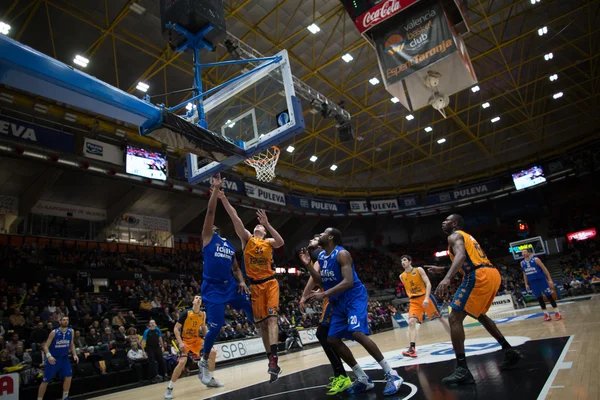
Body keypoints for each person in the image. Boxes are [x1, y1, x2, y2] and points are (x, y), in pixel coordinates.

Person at [300, 228, 404, 396]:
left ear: (331, 237)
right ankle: (362, 378)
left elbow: (348, 282)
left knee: (356, 333)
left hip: (353, 296)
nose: (321, 235)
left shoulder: (342, 254)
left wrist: (324, 294)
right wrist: (308, 266)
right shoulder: (321, 256)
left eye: (324, 233)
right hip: (338, 300)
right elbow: (321, 281)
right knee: (332, 339)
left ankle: (391, 374)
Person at [435, 214, 523, 385]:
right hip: (492, 273)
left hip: (478, 275)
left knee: (454, 318)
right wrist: (444, 268)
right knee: (480, 314)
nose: (443, 223)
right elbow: (468, 258)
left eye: (446, 220)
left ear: (454, 223)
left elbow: (460, 256)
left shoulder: (454, 236)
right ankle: (508, 350)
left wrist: (447, 278)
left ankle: (462, 370)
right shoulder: (467, 236)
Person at [218, 186, 285, 382]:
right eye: (258, 226)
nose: (258, 227)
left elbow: (281, 242)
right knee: (262, 326)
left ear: (264, 231)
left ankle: (274, 358)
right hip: (255, 286)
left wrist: (268, 223)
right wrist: (224, 199)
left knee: (272, 320)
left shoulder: (269, 242)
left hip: (270, 283)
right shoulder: (247, 239)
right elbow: (235, 218)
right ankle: (270, 361)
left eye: (261, 228)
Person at [196, 175, 254, 385]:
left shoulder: (229, 246)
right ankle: (203, 361)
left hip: (230, 286)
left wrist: (240, 281)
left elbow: (237, 268)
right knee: (217, 324)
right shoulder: (207, 238)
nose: (209, 226)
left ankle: (266, 336)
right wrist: (215, 191)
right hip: (212, 289)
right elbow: (210, 212)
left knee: (253, 310)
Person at [299, 234, 351, 395]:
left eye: (314, 238)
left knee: (324, 334)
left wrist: (303, 296)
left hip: (335, 298)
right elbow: (317, 278)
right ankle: (340, 373)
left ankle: (342, 374)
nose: (311, 240)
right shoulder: (318, 255)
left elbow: (314, 278)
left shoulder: (322, 254)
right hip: (329, 296)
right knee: (327, 336)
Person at [165, 295, 221, 399]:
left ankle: (211, 379)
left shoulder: (203, 314)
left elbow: (203, 328)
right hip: (185, 341)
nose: (199, 299)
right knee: (182, 363)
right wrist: (180, 342)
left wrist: (208, 341)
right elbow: (176, 329)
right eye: (196, 298)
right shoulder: (186, 313)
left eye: (200, 298)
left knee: (212, 352)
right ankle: (169, 388)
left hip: (196, 340)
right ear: (193, 302)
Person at [398, 255, 450, 358]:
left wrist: (426, 298)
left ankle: (455, 339)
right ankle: (412, 349)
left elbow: (428, 284)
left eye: (404, 260)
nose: (402, 262)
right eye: (401, 261)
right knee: (411, 322)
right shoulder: (401, 276)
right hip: (414, 301)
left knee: (441, 319)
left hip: (425, 297)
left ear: (410, 261)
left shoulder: (418, 270)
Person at [37, 316, 79, 400]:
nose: (66, 321)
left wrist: (75, 354)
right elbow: (45, 346)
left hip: (64, 359)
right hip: (54, 359)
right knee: (46, 380)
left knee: (68, 376)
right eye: (64, 320)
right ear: (60, 322)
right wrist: (49, 356)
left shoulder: (71, 331)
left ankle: (65, 397)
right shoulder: (54, 332)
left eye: (67, 320)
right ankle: (39, 398)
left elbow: (71, 344)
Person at [521, 248, 562, 321]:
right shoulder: (522, 263)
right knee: (539, 299)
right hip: (533, 283)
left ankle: (557, 313)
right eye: (522, 253)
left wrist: (550, 280)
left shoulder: (536, 260)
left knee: (549, 297)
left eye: (524, 252)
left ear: (528, 253)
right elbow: (524, 274)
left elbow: (544, 269)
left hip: (542, 281)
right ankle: (546, 314)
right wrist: (526, 284)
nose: (523, 254)